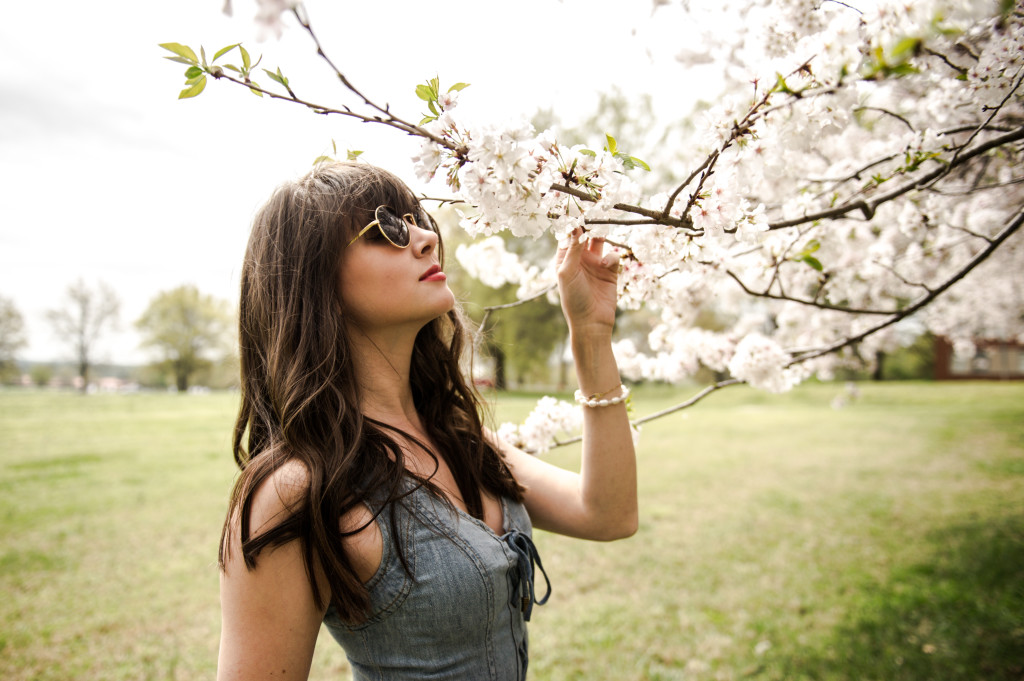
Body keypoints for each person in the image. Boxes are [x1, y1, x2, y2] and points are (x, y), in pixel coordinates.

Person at [216, 162, 638, 681]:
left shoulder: (459, 438)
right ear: (314, 280)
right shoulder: (298, 493)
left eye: (418, 219)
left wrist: (591, 334)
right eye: (386, 228)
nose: (422, 238)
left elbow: (609, 514)